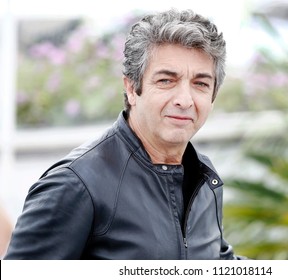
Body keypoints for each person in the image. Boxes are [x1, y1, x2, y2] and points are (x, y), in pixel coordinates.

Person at [5, 9, 242, 260]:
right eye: (166, 81)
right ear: (131, 88)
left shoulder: (203, 176)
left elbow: (217, 263)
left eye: (200, 84)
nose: (185, 100)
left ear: (213, 96)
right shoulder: (77, 184)